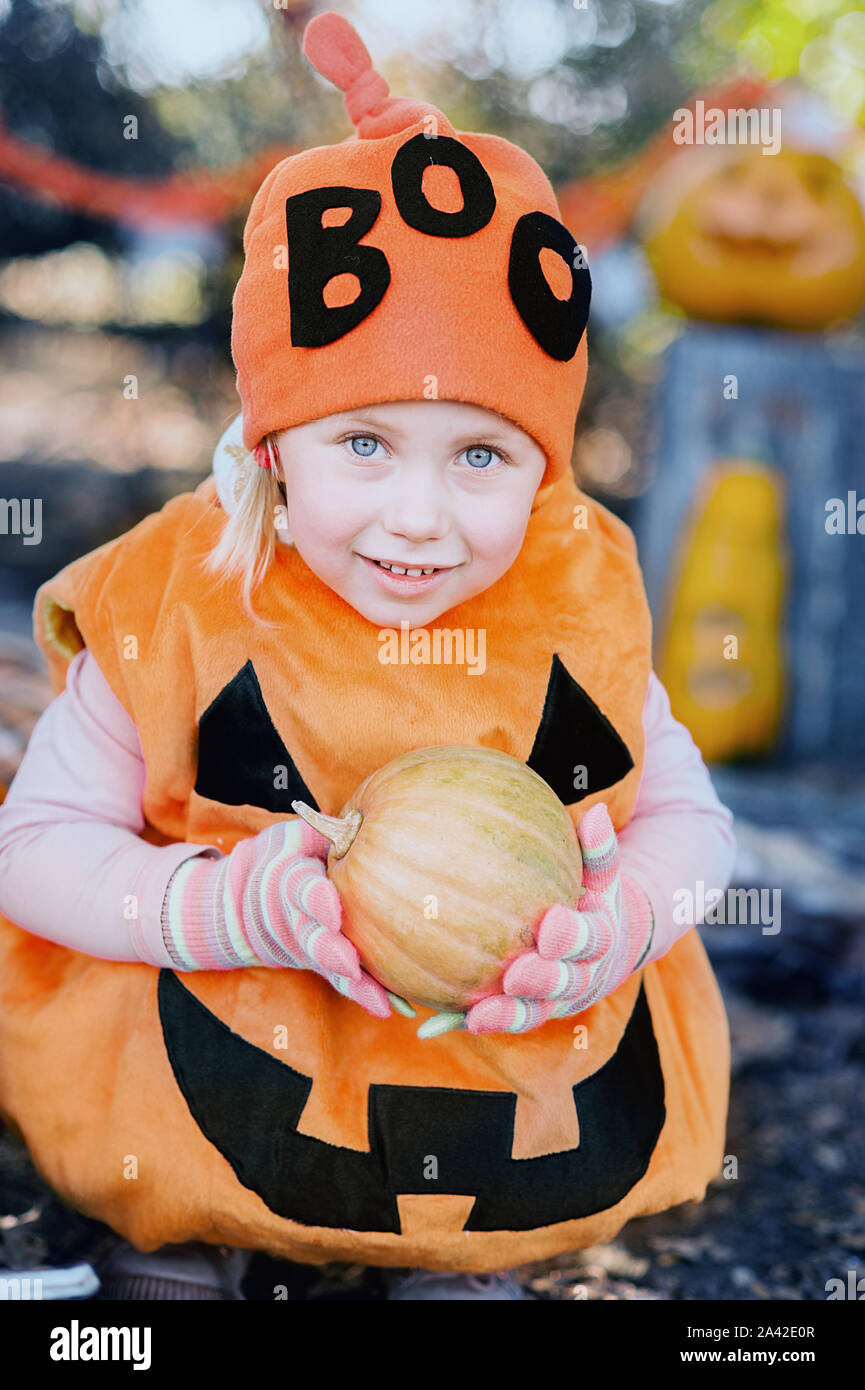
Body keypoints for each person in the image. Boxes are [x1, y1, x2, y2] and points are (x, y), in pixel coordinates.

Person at [0, 12, 735, 1301]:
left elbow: (691, 821)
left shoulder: (572, 596)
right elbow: (35, 851)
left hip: (494, 1085)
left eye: (481, 456)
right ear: (271, 444)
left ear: (545, 471)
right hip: (227, 1051)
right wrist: (213, 907)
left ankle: (453, 1258)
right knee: (171, 1177)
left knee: (476, 1229)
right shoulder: (179, 599)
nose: (420, 514)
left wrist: (624, 922)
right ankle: (184, 1240)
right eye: (363, 445)